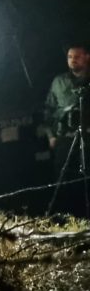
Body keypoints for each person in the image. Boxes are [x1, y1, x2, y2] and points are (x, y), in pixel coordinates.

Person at [41, 43, 90, 216]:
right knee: (63, 179)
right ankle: (66, 216)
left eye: (77, 56)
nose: (72, 60)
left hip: (88, 137)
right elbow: (48, 109)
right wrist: (50, 136)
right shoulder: (59, 81)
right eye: (70, 57)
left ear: (87, 57)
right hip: (65, 138)